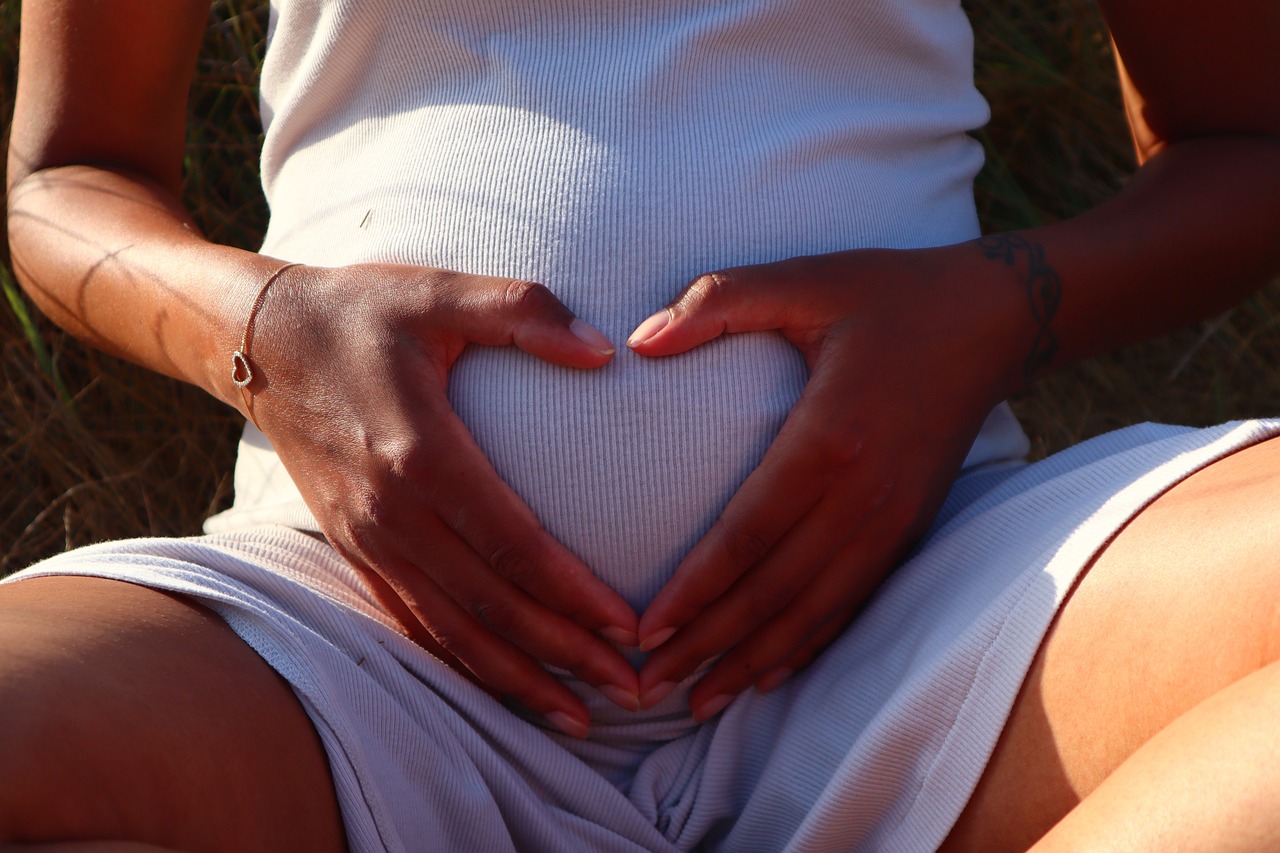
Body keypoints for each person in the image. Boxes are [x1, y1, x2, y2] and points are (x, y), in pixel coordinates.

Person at [3, 0, 1280, 849]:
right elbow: (64, 180)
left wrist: (997, 309)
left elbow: (1244, 140)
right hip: (343, 647)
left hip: (936, 614)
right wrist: (265, 323)